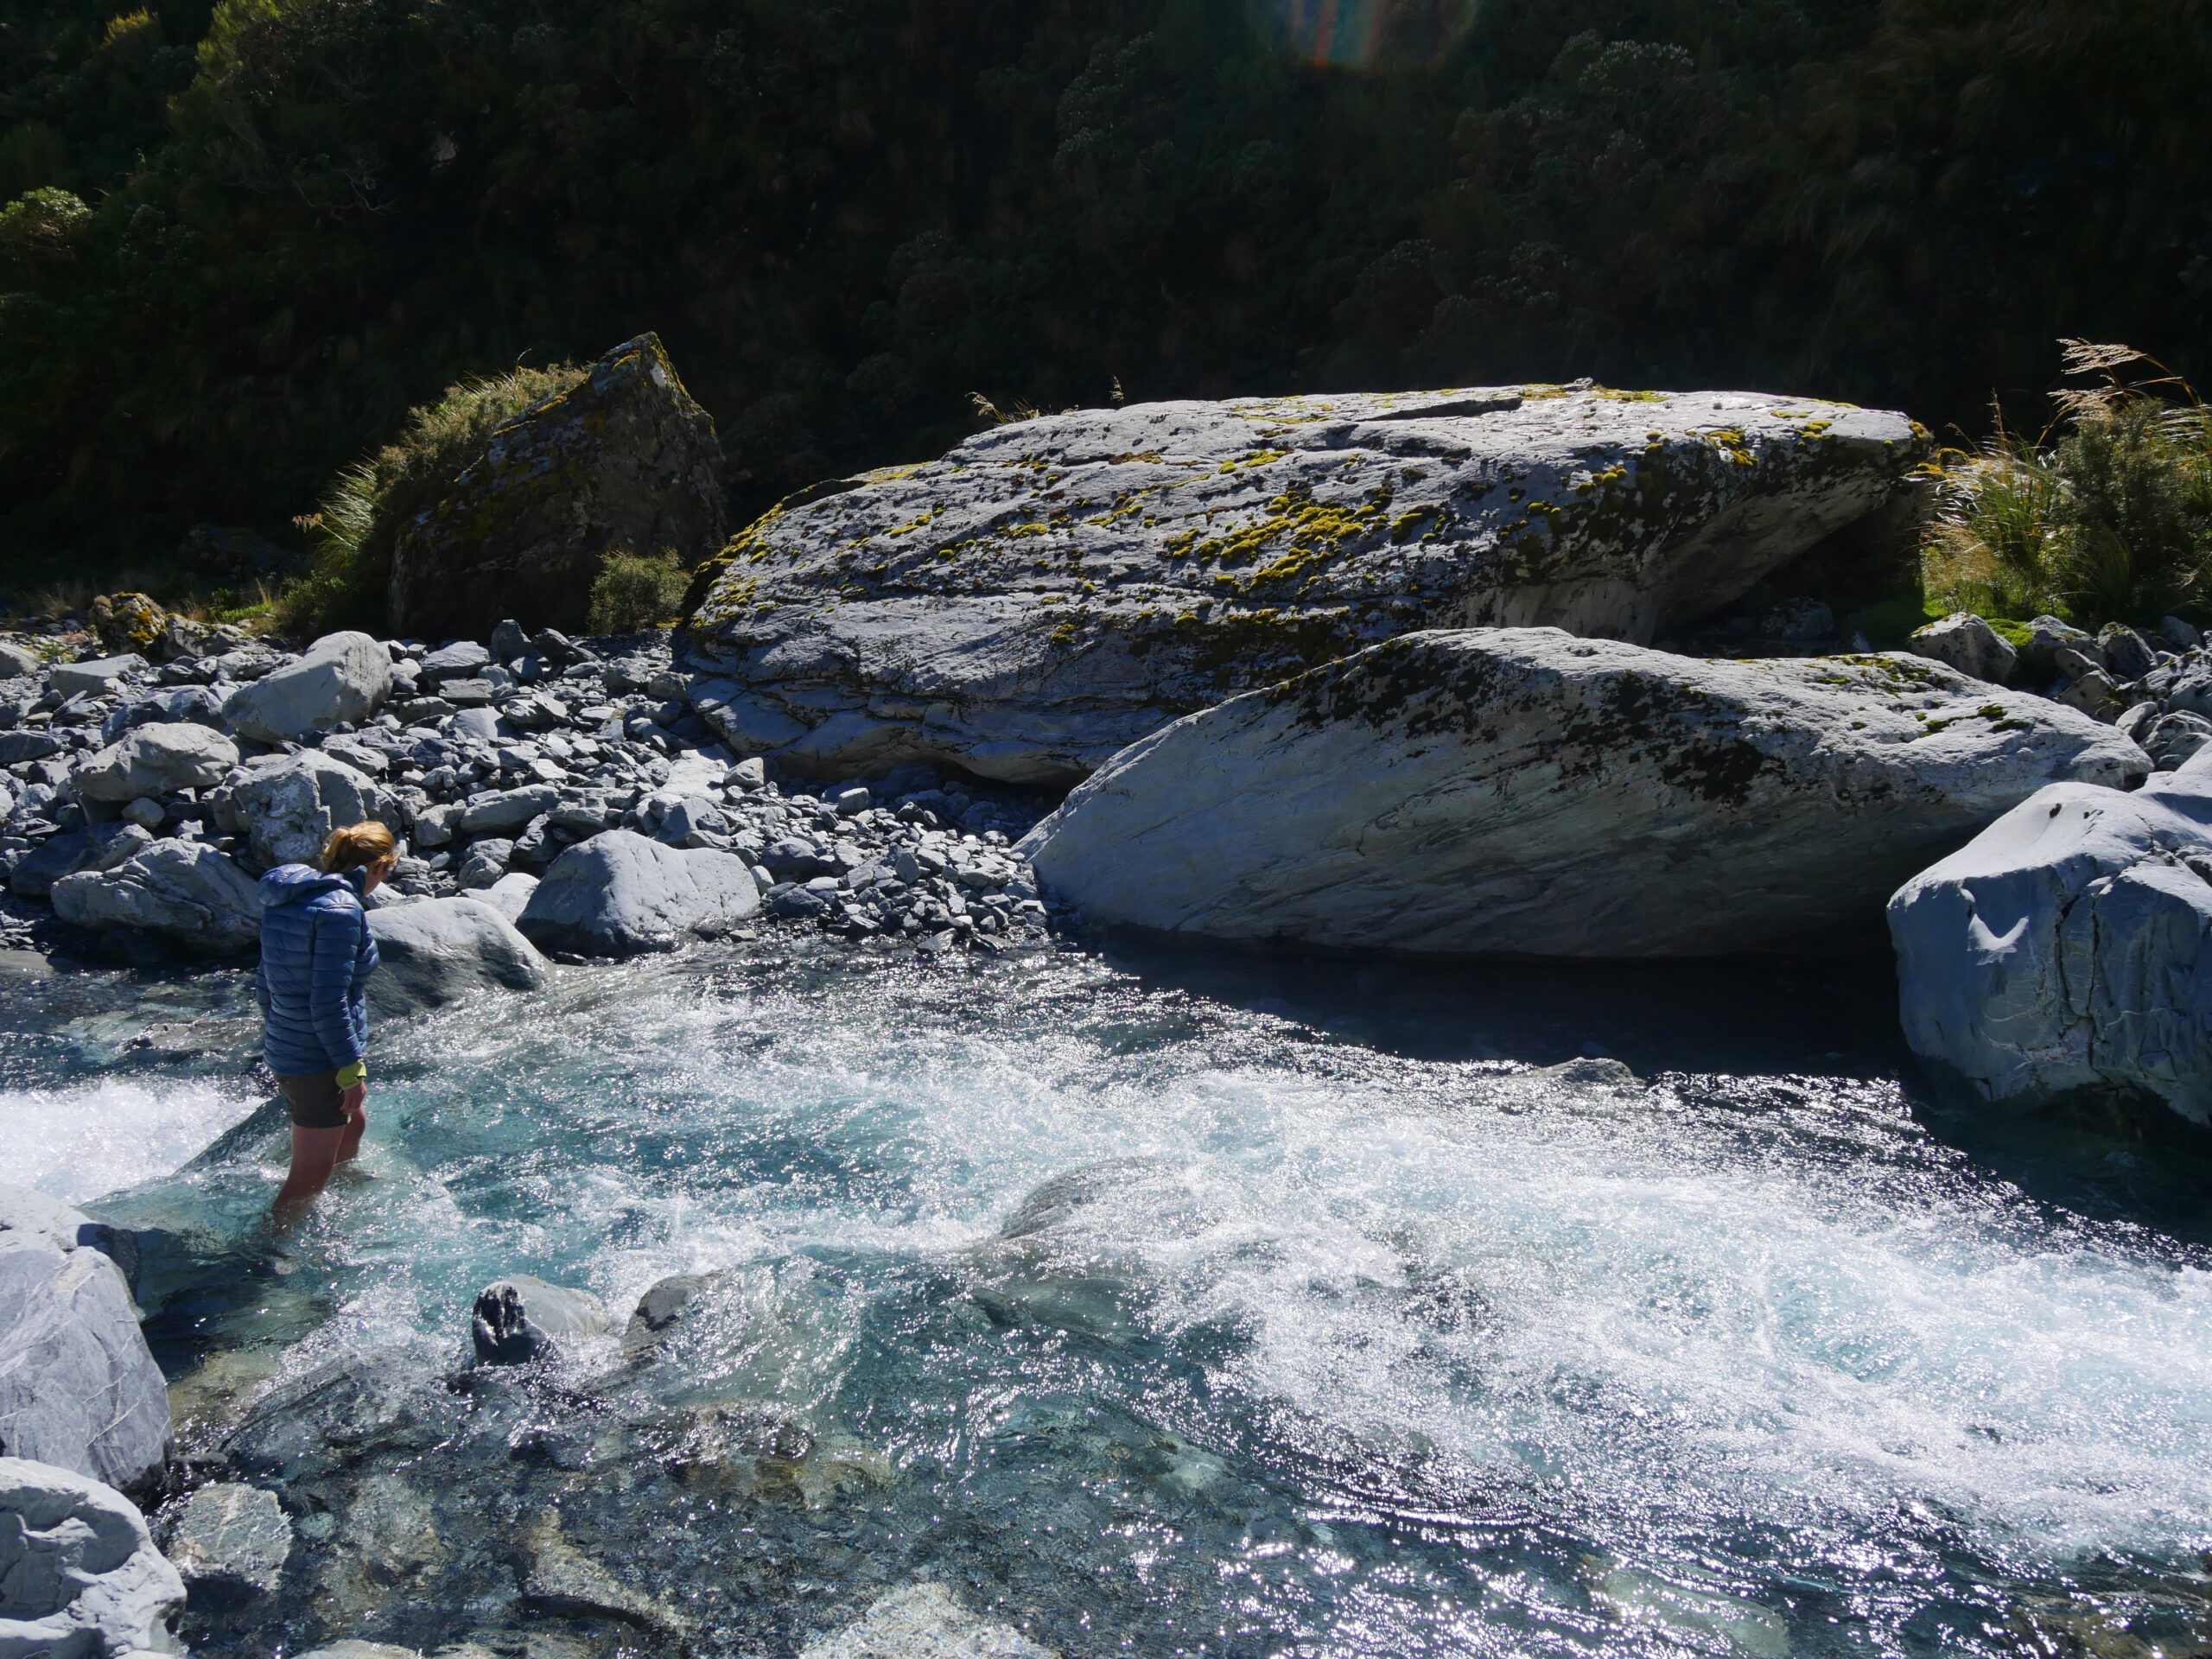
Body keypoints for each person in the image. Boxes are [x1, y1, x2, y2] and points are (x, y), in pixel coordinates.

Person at [257, 819, 392, 1220]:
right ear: (378, 868)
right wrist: (350, 1067)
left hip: (290, 1042)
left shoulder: (290, 897)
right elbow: (329, 1000)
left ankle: (339, 1203)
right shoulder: (341, 911)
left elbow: (264, 980)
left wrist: (279, 1031)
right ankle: (266, 1260)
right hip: (316, 1056)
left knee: (352, 1123)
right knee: (305, 1181)